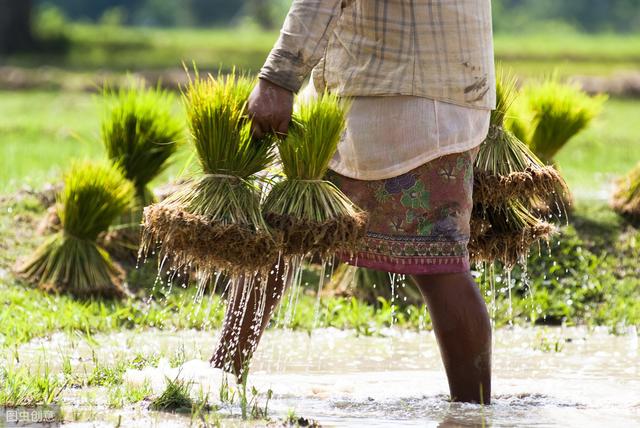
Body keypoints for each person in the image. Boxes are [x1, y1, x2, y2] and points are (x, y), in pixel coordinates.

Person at [211, 0, 495, 404]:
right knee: (274, 230)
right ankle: (221, 373)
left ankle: (472, 411)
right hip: (426, 87)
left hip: (397, 90)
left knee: (437, 260)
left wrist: (278, 79)